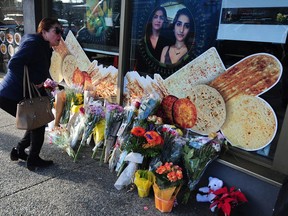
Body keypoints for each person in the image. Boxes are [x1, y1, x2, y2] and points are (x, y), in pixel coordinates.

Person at [0, 17, 62, 171]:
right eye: (57, 31)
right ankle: (33, 160)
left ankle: (19, 151)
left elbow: (38, 67)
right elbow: (14, 64)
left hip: (18, 93)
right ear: (44, 31)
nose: (60, 35)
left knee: (35, 121)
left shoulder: (44, 46)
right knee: (38, 124)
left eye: (62, 31)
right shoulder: (34, 44)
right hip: (11, 94)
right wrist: (35, 81)